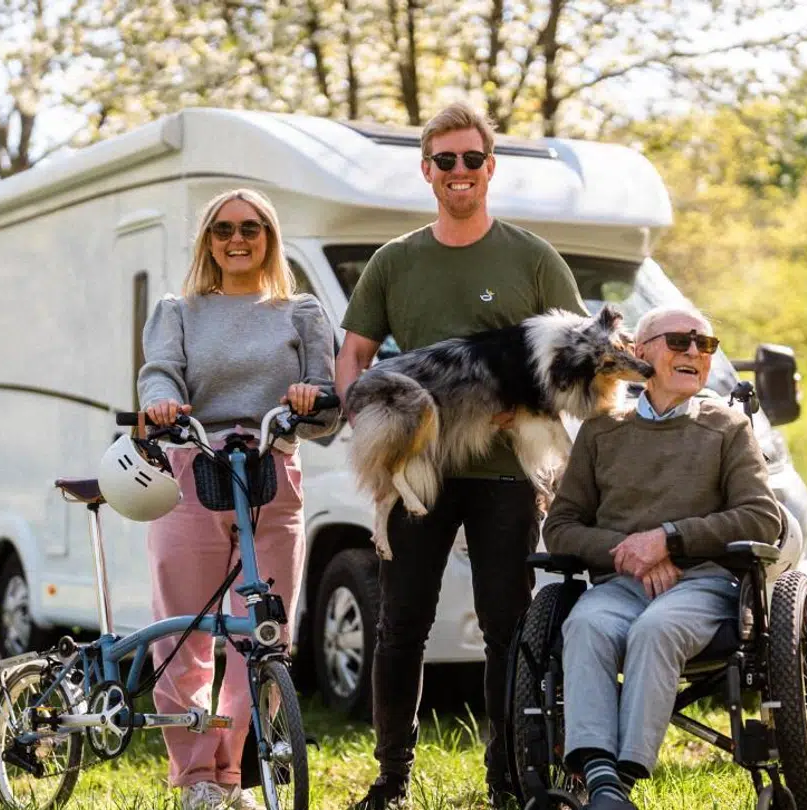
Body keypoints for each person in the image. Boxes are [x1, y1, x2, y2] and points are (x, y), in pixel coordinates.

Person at [336, 101, 587, 810]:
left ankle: (507, 779)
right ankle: (391, 781)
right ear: (426, 170)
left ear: (489, 167)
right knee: (400, 625)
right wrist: (371, 426)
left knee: (508, 628)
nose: (458, 172)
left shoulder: (531, 257)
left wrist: (528, 403)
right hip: (419, 473)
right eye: (444, 160)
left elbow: (570, 353)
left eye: (471, 159)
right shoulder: (395, 261)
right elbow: (352, 355)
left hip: (504, 472)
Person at [138, 188, 337, 810]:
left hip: (273, 476)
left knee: (264, 636)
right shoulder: (178, 311)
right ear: (209, 240)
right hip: (194, 473)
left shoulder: (300, 312)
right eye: (223, 229)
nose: (237, 239)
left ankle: (231, 774)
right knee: (184, 634)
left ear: (268, 237)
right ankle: (196, 778)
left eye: (251, 228)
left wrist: (310, 397)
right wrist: (163, 402)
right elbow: (160, 372)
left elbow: (327, 404)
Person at [542, 305, 785, 810]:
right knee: (584, 626)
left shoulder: (729, 427)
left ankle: (617, 785)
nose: (694, 352)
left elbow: (763, 519)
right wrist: (629, 553)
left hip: (705, 585)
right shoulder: (602, 431)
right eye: (679, 341)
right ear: (639, 351)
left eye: (706, 345)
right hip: (622, 584)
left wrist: (670, 539)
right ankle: (601, 777)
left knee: (658, 629)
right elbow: (560, 526)